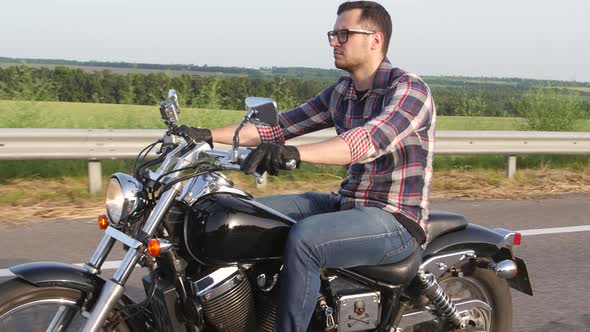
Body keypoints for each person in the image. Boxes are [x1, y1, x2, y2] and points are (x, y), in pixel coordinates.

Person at [177, 1, 436, 330]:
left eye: (344, 34)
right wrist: (205, 135)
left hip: (396, 220)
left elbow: (365, 142)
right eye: (333, 34)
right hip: (348, 204)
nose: (334, 42)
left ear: (375, 39)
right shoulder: (342, 92)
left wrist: (295, 154)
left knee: (306, 240)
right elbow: (277, 127)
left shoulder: (409, 90)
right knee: (247, 216)